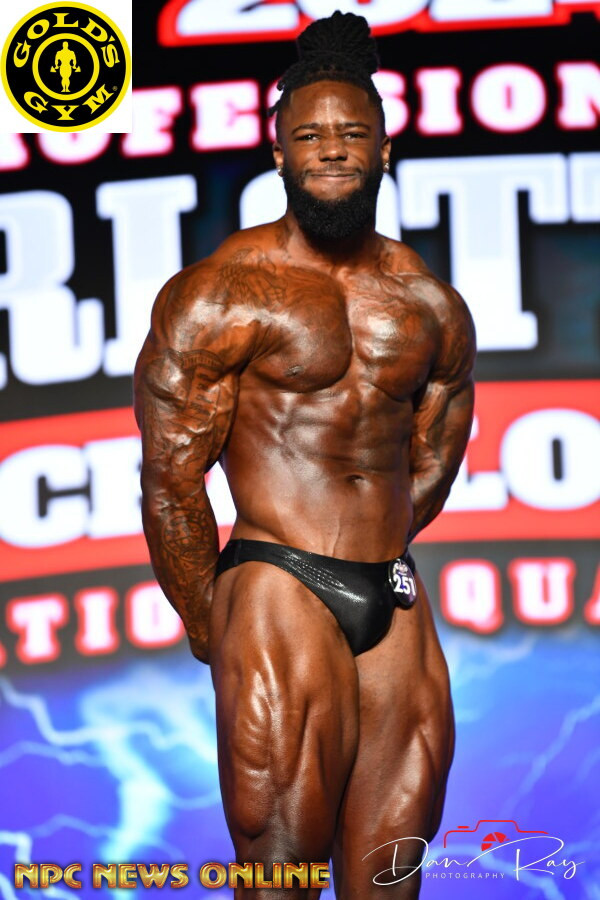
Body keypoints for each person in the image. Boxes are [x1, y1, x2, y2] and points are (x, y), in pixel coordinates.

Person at [134, 11, 475, 899]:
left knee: (393, 870)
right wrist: (215, 624)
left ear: (385, 150)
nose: (332, 150)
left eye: (351, 133)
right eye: (311, 136)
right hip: (278, 580)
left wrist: (374, 535)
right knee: (280, 871)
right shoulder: (221, 291)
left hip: (392, 592)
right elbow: (171, 478)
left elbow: (433, 458)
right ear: (278, 152)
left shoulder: (428, 301)